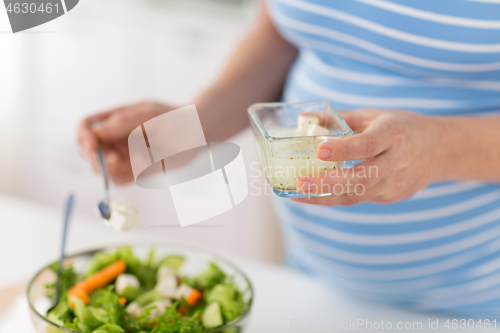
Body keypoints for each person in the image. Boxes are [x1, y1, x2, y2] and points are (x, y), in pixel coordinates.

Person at [78, 0, 500, 316]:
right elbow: (287, 26)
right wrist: (192, 126)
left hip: (474, 303)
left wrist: (439, 147)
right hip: (311, 281)